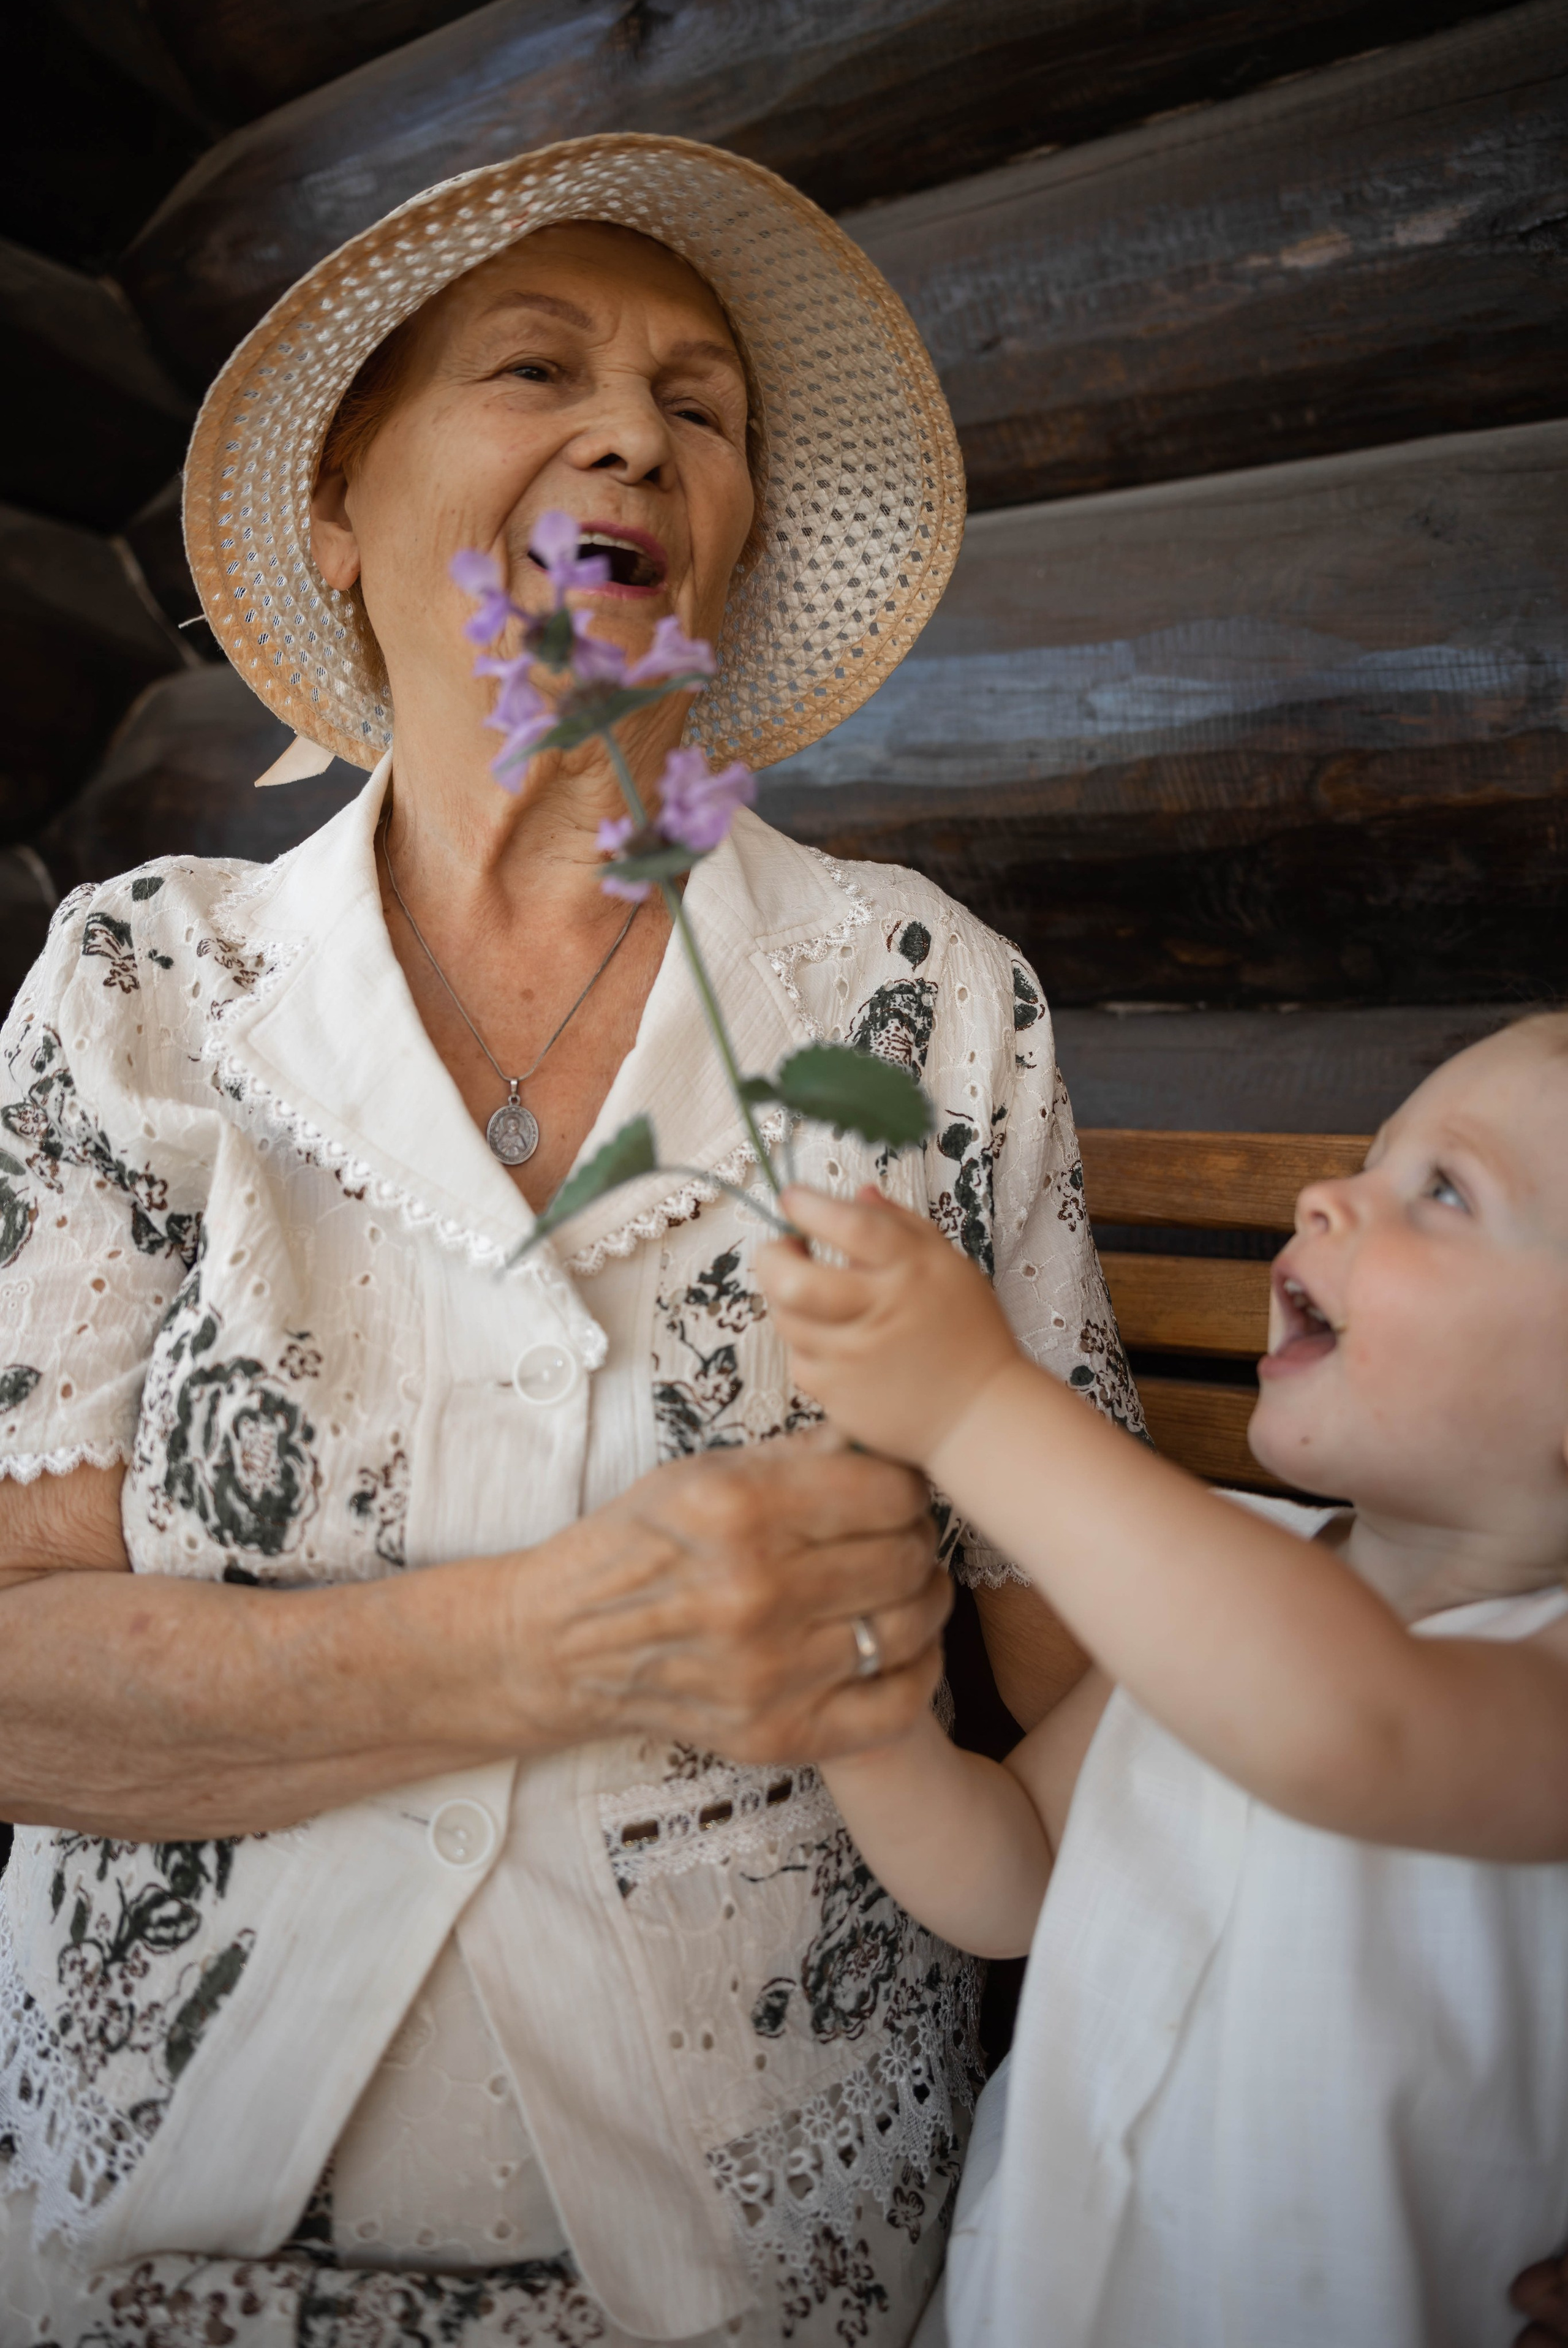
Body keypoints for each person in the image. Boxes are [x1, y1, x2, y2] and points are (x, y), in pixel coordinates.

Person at [0, 137, 1131, 2344]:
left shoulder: (919, 1003)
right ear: (340, 514)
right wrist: (554, 1646)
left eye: (698, 410)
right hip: (143, 2233)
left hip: (748, 2270)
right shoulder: (141, 984)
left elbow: (1099, 1692)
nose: (633, 434)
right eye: (538, 369)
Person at [756, 1014, 1568, 2347]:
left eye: (1442, 1188)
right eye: (1369, 1159)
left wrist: (971, 1405)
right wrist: (862, 1718)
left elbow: (1349, 1725)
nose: (1328, 1195)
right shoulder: (1219, 1568)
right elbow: (1012, 1873)